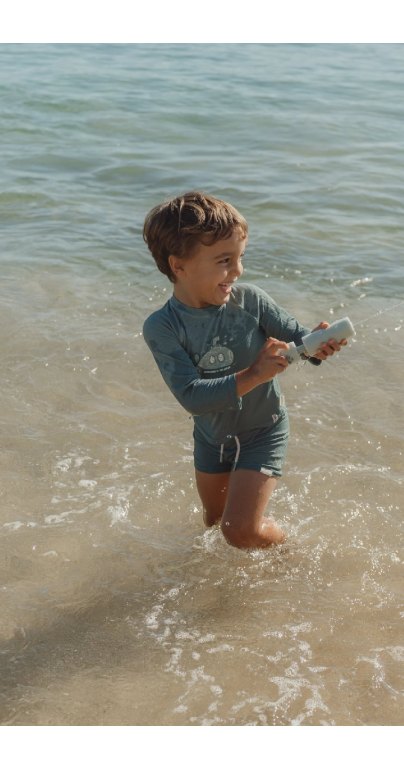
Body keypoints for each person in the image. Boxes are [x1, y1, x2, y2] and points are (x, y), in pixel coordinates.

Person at [142, 191, 347, 548]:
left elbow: (299, 342)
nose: (238, 271)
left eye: (240, 258)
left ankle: (289, 552)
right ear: (178, 266)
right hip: (211, 438)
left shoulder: (251, 301)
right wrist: (255, 373)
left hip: (263, 431)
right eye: (225, 260)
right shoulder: (163, 327)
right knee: (214, 523)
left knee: (239, 531)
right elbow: (192, 397)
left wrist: (318, 343)